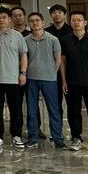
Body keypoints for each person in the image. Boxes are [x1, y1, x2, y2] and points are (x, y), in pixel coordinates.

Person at [0, 7, 28, 149]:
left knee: (16, 109)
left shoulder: (17, 36)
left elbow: (23, 55)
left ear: (9, 19)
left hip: (14, 79)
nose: (1, 20)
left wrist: (23, 73)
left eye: (4, 17)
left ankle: (16, 135)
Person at [61, 11, 88, 152]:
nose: (76, 22)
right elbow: (62, 62)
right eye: (73, 20)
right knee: (73, 112)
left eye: (79, 20)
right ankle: (76, 138)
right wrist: (64, 81)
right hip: (72, 83)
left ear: (85, 23)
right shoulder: (65, 40)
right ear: (70, 22)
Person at [23, 12, 64, 148]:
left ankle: (58, 138)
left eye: (37, 20)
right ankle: (33, 137)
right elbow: (24, 58)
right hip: (31, 79)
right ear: (29, 24)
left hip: (49, 79)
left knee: (53, 109)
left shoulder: (53, 39)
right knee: (32, 109)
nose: (35, 23)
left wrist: (51, 72)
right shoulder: (25, 40)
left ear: (43, 22)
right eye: (32, 21)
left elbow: (58, 60)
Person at [46, 3, 72, 121]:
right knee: (55, 102)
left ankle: (74, 129)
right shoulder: (46, 32)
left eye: (59, 12)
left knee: (72, 102)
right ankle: (57, 126)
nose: (57, 15)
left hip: (70, 70)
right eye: (54, 13)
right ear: (51, 15)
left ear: (64, 15)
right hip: (52, 70)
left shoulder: (71, 30)